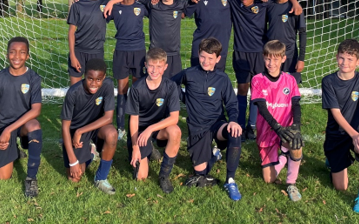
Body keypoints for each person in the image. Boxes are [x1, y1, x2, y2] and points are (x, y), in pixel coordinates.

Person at [193, 0, 301, 142]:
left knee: (257, 90)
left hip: (259, 54)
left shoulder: (265, 3)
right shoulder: (235, 1)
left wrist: (295, 2)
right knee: (242, 89)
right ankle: (241, 125)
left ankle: (252, 126)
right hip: (241, 53)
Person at [172, 38, 243, 201]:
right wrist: (184, 97)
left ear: (218, 59)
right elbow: (170, 84)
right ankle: (214, 155)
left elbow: (232, 103)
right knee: (200, 174)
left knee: (235, 133)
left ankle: (230, 180)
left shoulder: (222, 78)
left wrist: (233, 120)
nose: (206, 61)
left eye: (211, 58)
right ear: (198, 54)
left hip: (217, 124)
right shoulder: (189, 73)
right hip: (197, 127)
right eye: (203, 56)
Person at [321, 39, 359, 213]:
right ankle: (333, 159)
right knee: (341, 187)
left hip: (357, 131)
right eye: (341, 58)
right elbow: (336, 113)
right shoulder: (328, 81)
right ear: (336, 58)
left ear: (358, 62)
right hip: (336, 134)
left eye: (349, 59)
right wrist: (353, 135)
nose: (344, 63)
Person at [0, 37, 43, 197]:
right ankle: (13, 150)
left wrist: (10, 129)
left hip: (21, 126)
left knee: (35, 125)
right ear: (7, 54)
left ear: (28, 56)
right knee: (4, 177)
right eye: (12, 52)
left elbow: (36, 109)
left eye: (22, 52)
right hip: (3, 128)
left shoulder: (33, 78)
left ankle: (31, 178)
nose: (17, 56)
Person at [105, 0, 189, 79]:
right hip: (155, 51)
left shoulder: (180, 4)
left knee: (174, 83)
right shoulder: (151, 4)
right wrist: (112, 1)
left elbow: (194, 3)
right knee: (155, 81)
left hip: (174, 52)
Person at [250, 40, 303, 202]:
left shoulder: (290, 80)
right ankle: (284, 157)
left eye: (275, 59)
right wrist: (277, 128)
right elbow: (262, 108)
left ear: (283, 59)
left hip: (285, 130)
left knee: (295, 143)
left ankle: (291, 182)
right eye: (267, 59)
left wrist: (296, 126)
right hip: (268, 131)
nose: (270, 63)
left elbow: (296, 105)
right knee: (269, 179)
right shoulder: (257, 79)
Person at [125, 48, 181, 194]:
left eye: (159, 66)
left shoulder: (170, 86)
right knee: (141, 177)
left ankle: (164, 176)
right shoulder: (137, 88)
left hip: (156, 129)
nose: (154, 70)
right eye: (151, 66)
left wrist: (151, 129)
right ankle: (146, 149)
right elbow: (133, 120)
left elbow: (174, 118)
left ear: (165, 67)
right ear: (145, 65)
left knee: (175, 131)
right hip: (140, 131)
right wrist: (136, 147)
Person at [60, 58, 118, 194]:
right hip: (75, 131)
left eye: (98, 79)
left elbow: (108, 117)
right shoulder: (73, 92)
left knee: (112, 134)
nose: (94, 83)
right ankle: (90, 154)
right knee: (74, 177)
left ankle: (101, 178)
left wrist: (81, 130)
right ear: (84, 76)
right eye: (90, 78)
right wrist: (73, 162)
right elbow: (64, 128)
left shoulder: (108, 85)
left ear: (104, 77)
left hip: (96, 127)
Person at [105, 0, 149, 140]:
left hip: (138, 52)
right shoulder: (115, 8)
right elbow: (99, 11)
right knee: (122, 90)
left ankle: (138, 122)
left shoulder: (142, 7)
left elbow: (155, 4)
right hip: (121, 52)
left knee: (137, 89)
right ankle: (121, 127)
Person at [184, 0, 232, 71]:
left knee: (216, 83)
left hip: (220, 49)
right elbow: (183, 13)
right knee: (197, 81)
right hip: (201, 48)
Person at [67, 0, 109, 85]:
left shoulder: (106, 4)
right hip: (78, 51)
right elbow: (71, 31)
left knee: (94, 88)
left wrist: (113, 2)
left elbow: (124, 1)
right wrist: (72, 55)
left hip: (96, 52)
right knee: (75, 89)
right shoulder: (78, 5)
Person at [265, 0, 307, 84]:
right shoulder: (268, 4)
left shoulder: (295, 8)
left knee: (289, 88)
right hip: (271, 53)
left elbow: (302, 33)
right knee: (271, 87)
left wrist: (301, 58)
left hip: (289, 54)